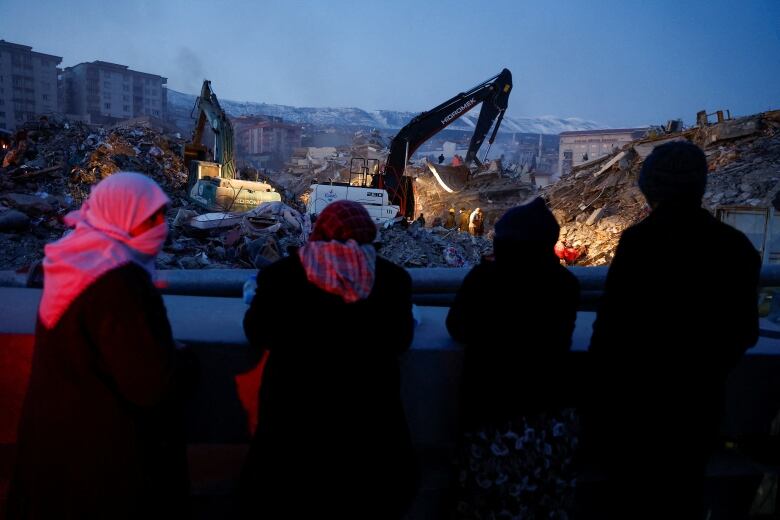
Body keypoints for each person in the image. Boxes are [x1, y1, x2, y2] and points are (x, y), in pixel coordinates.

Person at [578, 141, 761, 519]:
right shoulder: (737, 247)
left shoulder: (640, 243)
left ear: (650, 187)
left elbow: (612, 332)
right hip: (698, 408)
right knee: (682, 497)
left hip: (635, 411)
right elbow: (744, 331)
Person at [7, 172, 197, 519]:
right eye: (149, 218)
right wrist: (180, 360)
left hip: (59, 448)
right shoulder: (116, 282)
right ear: (120, 215)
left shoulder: (78, 258)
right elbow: (149, 384)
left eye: (161, 216)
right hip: (103, 464)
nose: (161, 227)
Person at [240, 200, 418, 518]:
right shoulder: (393, 281)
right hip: (369, 445)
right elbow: (401, 340)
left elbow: (257, 332)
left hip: (291, 441)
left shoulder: (283, 276)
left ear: (319, 231)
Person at [447, 197, 580, 519]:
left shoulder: (484, 280)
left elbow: (457, 327)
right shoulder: (566, 284)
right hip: (551, 422)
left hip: (491, 418)